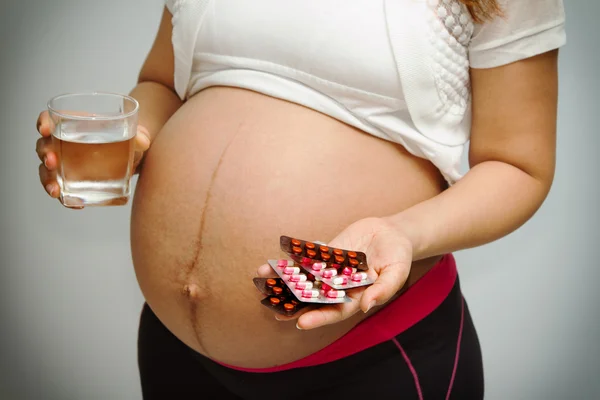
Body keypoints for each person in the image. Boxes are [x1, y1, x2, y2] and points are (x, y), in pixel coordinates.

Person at [35, 0, 567, 398]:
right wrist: (134, 137)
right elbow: (161, 83)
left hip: (372, 359)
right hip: (177, 350)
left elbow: (519, 166)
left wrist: (404, 233)